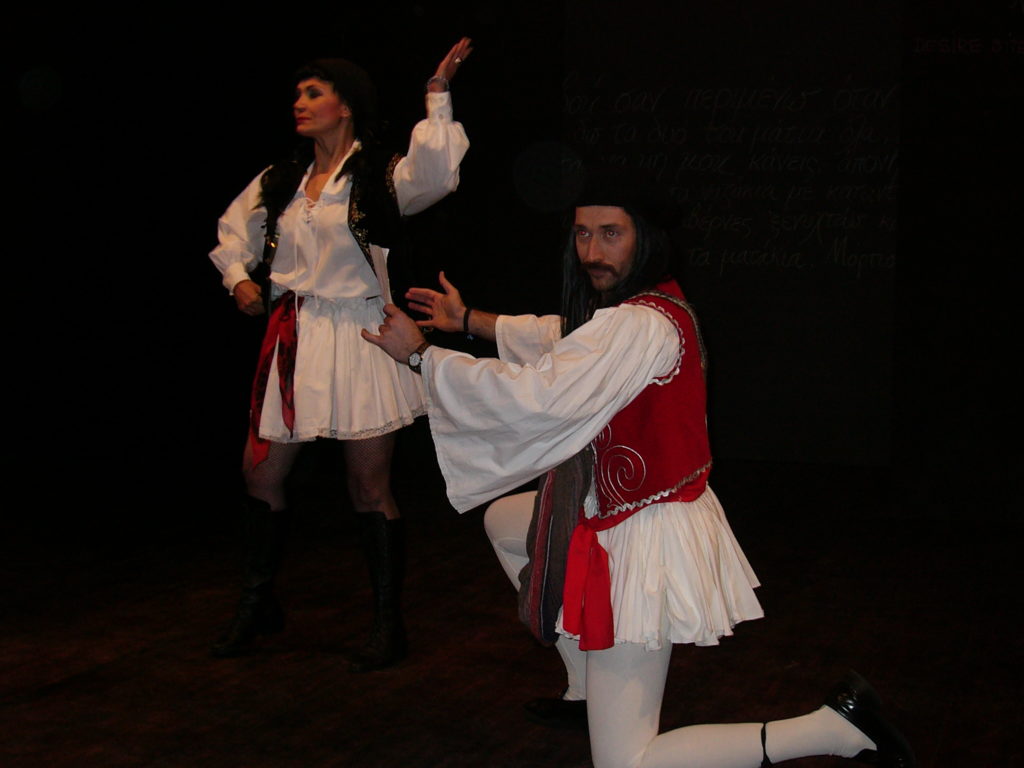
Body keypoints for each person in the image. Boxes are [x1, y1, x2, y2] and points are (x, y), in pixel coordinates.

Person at [362, 169, 915, 767]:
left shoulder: (639, 323)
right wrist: (469, 319)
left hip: (641, 541)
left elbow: (542, 393)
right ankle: (585, 684)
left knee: (627, 762)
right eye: (582, 234)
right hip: (628, 513)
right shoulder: (646, 306)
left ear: (645, 237)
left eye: (611, 233)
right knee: (507, 520)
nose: (592, 252)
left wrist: (422, 358)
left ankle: (834, 728)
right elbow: (563, 338)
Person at [208, 37, 472, 671]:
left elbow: (438, 175)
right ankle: (258, 601)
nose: (299, 103)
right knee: (258, 474)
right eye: (297, 93)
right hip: (295, 335)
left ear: (346, 105)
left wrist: (437, 95)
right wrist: (239, 279)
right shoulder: (282, 179)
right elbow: (232, 232)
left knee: (367, 484)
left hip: (360, 334)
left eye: (314, 92)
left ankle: (386, 622)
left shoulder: (379, 175)